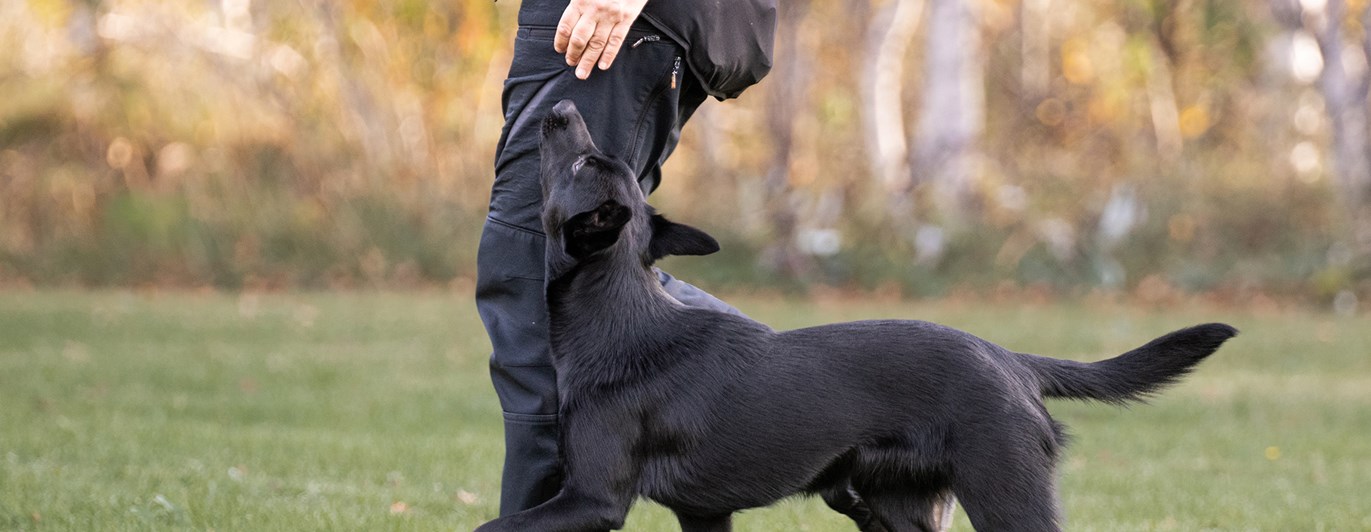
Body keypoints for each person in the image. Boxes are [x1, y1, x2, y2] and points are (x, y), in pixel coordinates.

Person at [474, 0, 763, 515]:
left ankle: (833, 412)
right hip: (612, 22)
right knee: (589, 265)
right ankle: (830, 401)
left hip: (615, 19)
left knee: (534, 266)